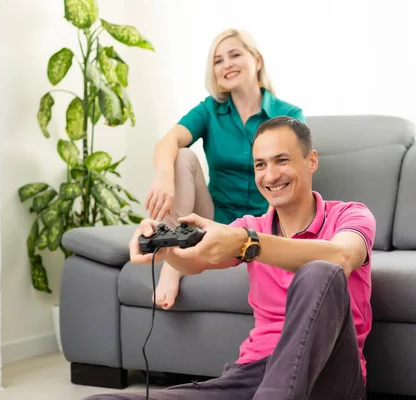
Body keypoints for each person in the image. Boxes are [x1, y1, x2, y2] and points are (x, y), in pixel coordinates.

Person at [85, 117, 376, 400]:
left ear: (311, 160)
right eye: (260, 165)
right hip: (251, 376)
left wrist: (250, 243)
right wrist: (168, 250)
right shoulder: (251, 227)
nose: (270, 175)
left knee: (319, 272)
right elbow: (196, 261)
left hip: (329, 376)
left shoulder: (350, 215)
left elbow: (342, 257)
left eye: (282, 160)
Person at [145, 29, 304, 310]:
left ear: (257, 60)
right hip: (212, 220)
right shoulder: (209, 110)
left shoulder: (288, 115)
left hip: (264, 224)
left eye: (234, 55)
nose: (226, 64)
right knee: (180, 156)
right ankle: (176, 249)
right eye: (218, 60)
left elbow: (297, 173)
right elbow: (169, 139)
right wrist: (164, 176)